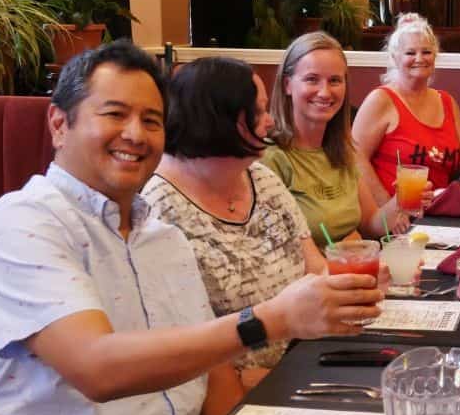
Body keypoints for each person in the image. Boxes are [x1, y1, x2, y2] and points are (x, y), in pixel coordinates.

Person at [0, 42, 383, 415]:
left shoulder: (162, 240)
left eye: (151, 119)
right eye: (114, 114)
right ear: (59, 122)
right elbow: (97, 368)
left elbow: (215, 375)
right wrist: (269, 320)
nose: (135, 134)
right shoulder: (19, 226)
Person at [143, 57, 342, 393]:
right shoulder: (157, 210)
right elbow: (183, 351)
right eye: (260, 111)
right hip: (242, 392)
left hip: (310, 359)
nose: (270, 123)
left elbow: (315, 266)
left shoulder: (261, 178)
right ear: (222, 119)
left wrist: (351, 284)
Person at [263, 31, 408, 243]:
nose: (324, 92)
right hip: (321, 274)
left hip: (358, 268)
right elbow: (274, 251)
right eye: (312, 79)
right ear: (287, 85)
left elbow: (371, 224)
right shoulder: (271, 158)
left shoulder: (342, 151)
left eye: (334, 81)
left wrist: (401, 200)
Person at [353, 14, 460, 201]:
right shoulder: (381, 100)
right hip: (396, 215)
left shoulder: (447, 101)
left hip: (438, 211)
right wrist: (386, 209)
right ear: (395, 58)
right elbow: (355, 158)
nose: (419, 58)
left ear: (435, 56)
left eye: (426, 52)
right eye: (410, 53)